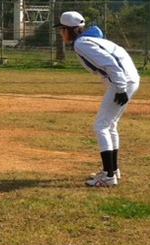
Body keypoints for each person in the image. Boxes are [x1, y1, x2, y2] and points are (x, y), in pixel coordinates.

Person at [58, 11, 140, 187]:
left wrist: (120, 87)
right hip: (128, 79)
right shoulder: (91, 40)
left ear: (70, 29)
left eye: (62, 29)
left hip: (122, 81)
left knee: (101, 125)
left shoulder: (82, 43)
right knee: (109, 125)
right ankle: (112, 170)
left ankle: (109, 176)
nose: (60, 33)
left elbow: (110, 63)